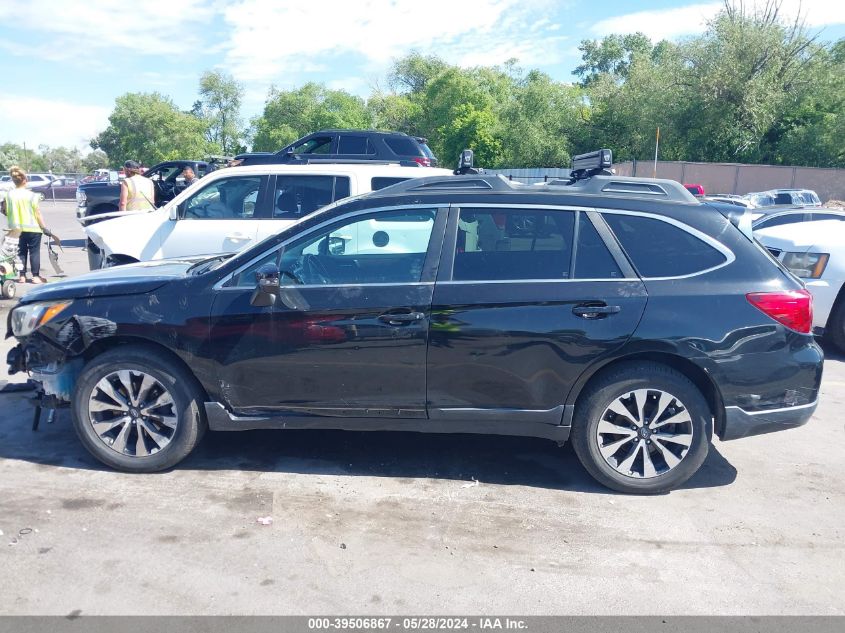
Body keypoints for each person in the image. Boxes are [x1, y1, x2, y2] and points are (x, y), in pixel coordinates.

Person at [0, 166, 58, 284]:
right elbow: (37, 213)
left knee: (20, 252)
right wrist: (44, 227)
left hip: (15, 229)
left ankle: (22, 276)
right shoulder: (32, 196)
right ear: (25, 180)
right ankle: (36, 276)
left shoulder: (8, 195)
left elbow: (4, 210)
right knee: (34, 252)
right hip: (33, 228)